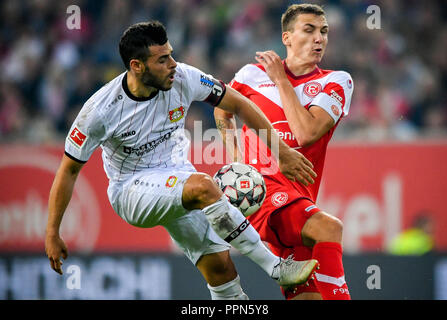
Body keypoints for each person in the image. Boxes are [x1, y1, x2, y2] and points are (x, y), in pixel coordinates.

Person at [45, 20, 319, 300]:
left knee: (221, 268)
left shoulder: (184, 78)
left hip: (176, 175)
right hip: (130, 189)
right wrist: (53, 232)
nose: (173, 64)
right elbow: (69, 170)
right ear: (137, 66)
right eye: (162, 60)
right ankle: (276, 267)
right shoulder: (100, 111)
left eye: (171, 54)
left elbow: (237, 103)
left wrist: (281, 152)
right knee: (204, 187)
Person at [215, 4, 354, 300]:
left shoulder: (337, 81)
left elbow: (306, 133)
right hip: (264, 196)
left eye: (324, 31)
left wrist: (280, 80)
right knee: (329, 228)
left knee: (308, 297)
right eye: (309, 30)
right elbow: (222, 112)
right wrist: (237, 161)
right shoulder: (250, 74)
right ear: (287, 37)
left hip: (299, 200)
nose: (319, 38)